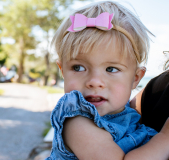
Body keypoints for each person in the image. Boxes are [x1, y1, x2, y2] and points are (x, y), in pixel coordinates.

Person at [46, 1, 169, 160]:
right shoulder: (75, 121)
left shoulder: (128, 114)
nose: (95, 82)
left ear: (135, 78)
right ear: (62, 71)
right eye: (78, 68)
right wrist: (164, 139)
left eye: (111, 69)